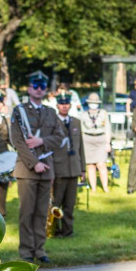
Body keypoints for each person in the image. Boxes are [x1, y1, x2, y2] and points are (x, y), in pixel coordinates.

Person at [9, 70, 64, 262]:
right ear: (29, 88)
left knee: (42, 213)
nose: (39, 89)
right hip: (27, 170)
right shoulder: (19, 111)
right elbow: (17, 141)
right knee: (27, 213)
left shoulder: (51, 112)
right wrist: (34, 164)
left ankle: (40, 250)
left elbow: (59, 137)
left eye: (42, 86)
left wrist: (42, 140)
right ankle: (26, 251)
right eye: (35, 86)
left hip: (46, 168)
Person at [50, 93, 85, 237]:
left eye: (66, 104)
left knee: (70, 204)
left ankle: (67, 230)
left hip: (73, 168)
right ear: (57, 105)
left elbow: (80, 147)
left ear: (70, 105)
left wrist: (82, 168)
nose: (64, 106)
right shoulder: (52, 123)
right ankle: (54, 230)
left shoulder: (76, 122)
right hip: (59, 168)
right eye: (61, 104)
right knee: (56, 202)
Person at [79, 92, 111, 194]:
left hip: (100, 139)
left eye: (95, 103)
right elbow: (81, 130)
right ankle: (93, 188)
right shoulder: (84, 114)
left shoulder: (103, 113)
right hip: (88, 140)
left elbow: (107, 128)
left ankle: (105, 187)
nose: (93, 105)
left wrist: (108, 143)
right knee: (90, 165)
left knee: (101, 164)